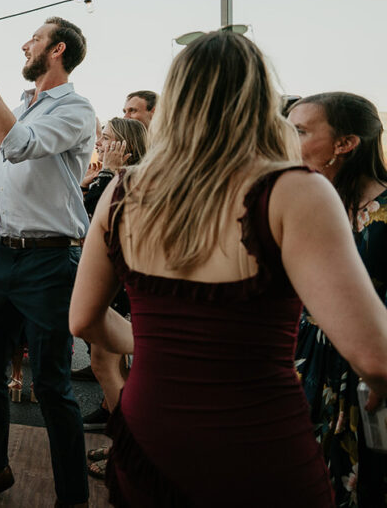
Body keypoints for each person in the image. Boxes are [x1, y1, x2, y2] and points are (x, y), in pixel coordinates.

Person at [70, 31, 387, 507]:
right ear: (260, 100)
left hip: (150, 439)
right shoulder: (295, 191)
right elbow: (374, 356)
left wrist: (161, 341)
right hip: (257, 449)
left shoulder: (123, 191)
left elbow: (83, 320)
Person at [0, 19, 94, 508]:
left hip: (52, 260)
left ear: (58, 49)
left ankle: (73, 498)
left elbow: (17, 145)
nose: (25, 43)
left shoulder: (75, 109)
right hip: (1, 255)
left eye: (35, 37)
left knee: (52, 385)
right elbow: (3, 176)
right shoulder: (24, 105)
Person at [289, 92, 387, 506]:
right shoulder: (311, 203)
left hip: (368, 372)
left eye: (300, 131)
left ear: (345, 144)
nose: (288, 141)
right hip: (309, 359)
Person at [78, 118, 147, 477]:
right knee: (111, 365)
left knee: (107, 363)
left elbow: (94, 220)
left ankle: (131, 446)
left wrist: (107, 175)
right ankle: (126, 443)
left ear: (125, 147)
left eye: (106, 139)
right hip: (116, 282)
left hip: (117, 284)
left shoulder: (126, 180)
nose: (100, 145)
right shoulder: (118, 176)